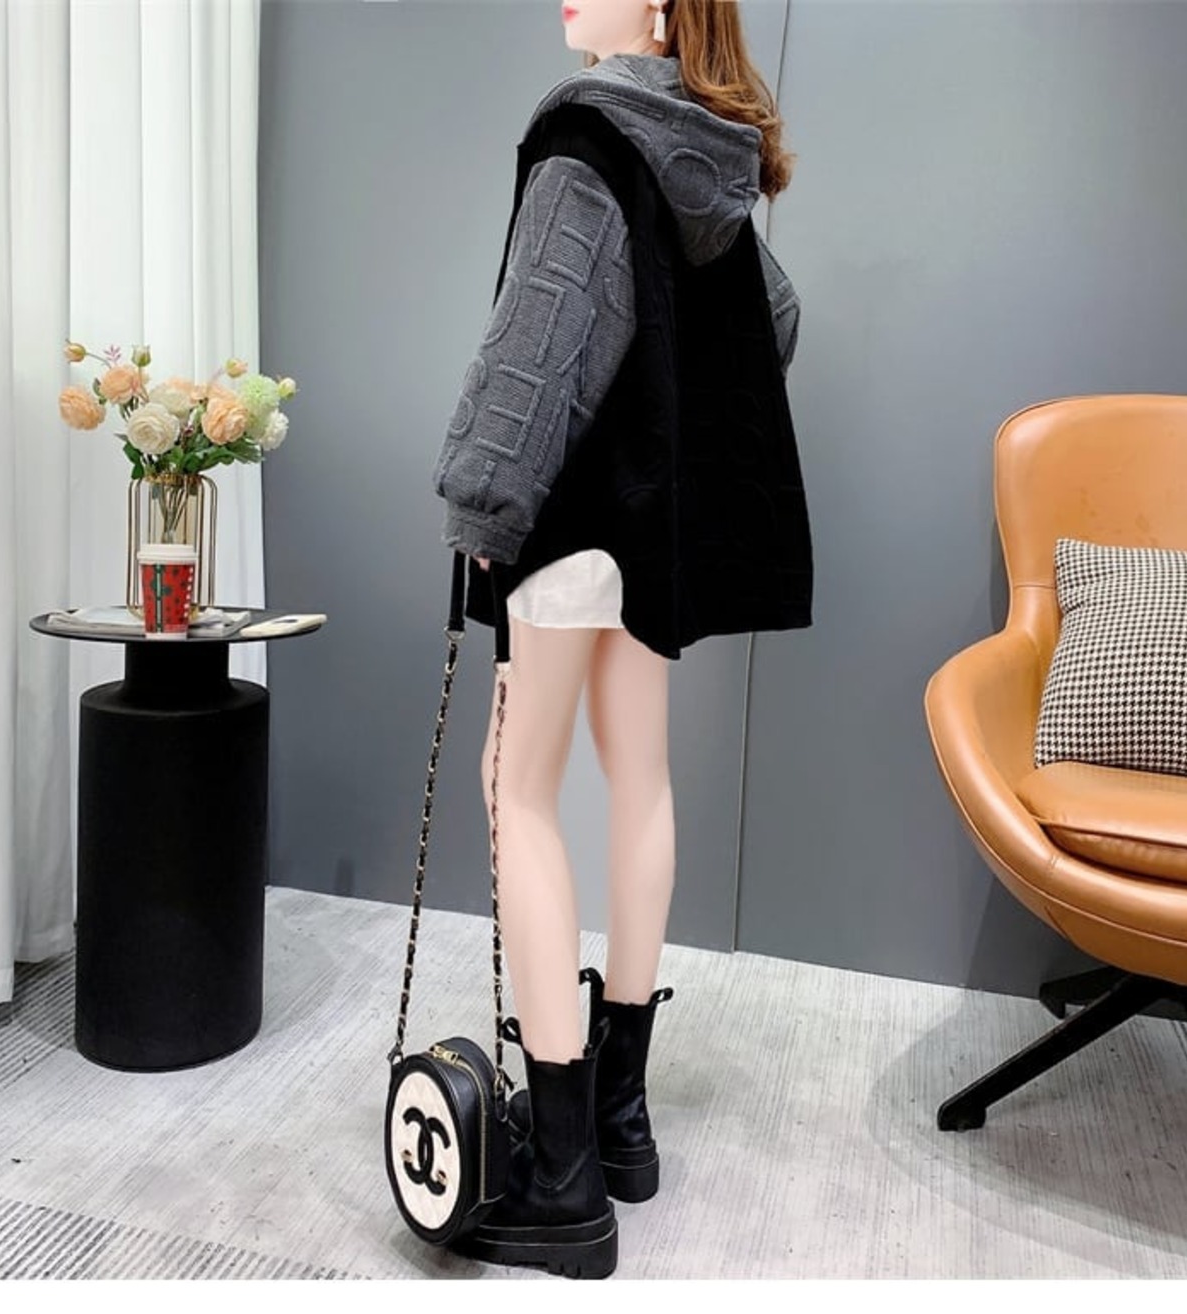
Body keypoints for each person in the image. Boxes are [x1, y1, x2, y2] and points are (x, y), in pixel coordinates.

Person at [431, 0, 812, 1280]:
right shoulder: (707, 148)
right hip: (658, 533)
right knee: (638, 778)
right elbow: (772, 324)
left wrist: (485, 499)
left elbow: (534, 349)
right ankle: (621, 1122)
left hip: (572, 521)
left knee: (517, 786)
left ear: (655, 5)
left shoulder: (587, 133)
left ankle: (560, 1181)